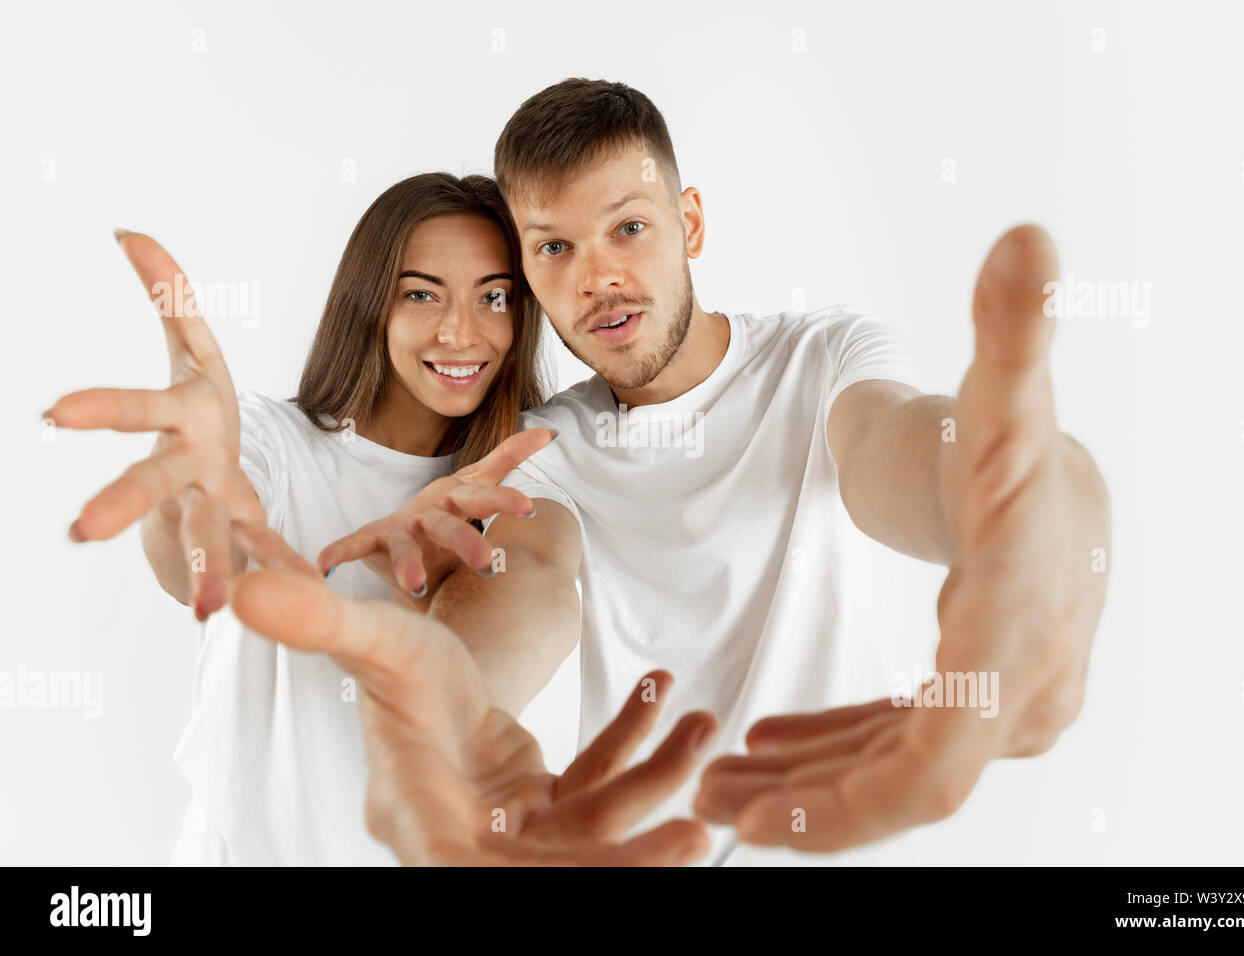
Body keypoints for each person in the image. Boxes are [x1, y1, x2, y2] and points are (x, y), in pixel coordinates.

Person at [322, 78, 1114, 865]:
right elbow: (524, 578)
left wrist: (1031, 500)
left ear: (689, 224)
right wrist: (452, 722)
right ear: (528, 272)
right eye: (555, 247)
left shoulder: (824, 359)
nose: (596, 277)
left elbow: (894, 449)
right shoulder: (544, 452)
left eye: (628, 227)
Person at [45, 173, 564, 865]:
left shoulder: (524, 473)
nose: (460, 332)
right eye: (420, 294)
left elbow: (535, 596)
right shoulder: (273, 441)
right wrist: (186, 489)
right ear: (368, 302)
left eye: (493, 297)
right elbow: (195, 555)